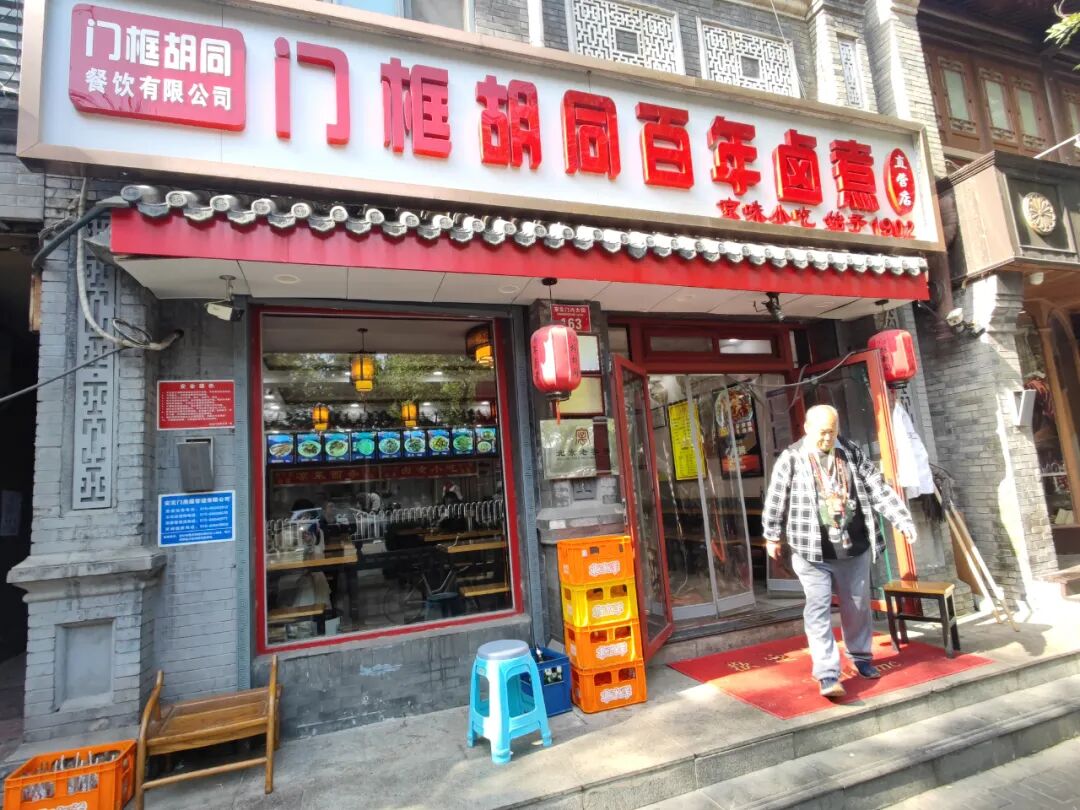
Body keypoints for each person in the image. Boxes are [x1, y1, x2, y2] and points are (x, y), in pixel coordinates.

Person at [762, 404, 917, 698]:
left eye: (832, 432)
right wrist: (771, 535)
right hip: (811, 550)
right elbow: (776, 498)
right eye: (822, 432)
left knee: (857, 606)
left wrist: (902, 519)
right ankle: (827, 674)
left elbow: (877, 487)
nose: (827, 438)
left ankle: (861, 656)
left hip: (853, 546)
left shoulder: (851, 451)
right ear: (807, 429)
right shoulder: (792, 457)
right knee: (818, 607)